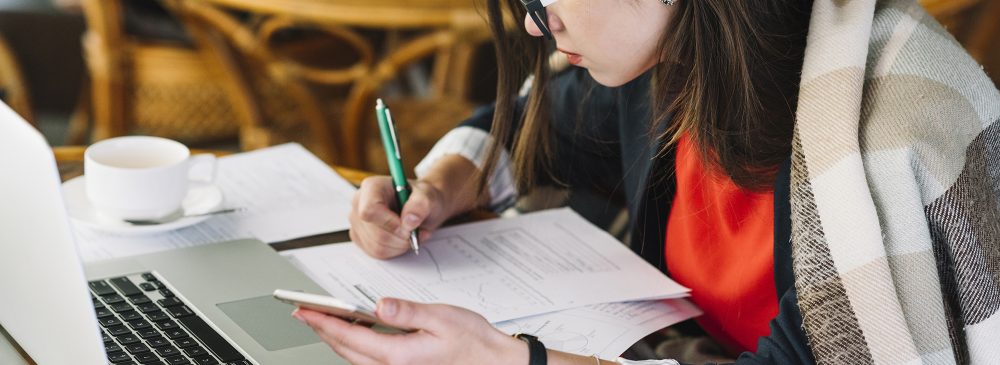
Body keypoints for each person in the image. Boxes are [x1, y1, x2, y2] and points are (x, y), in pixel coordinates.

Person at [293, 0, 1000, 364]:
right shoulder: (683, 54)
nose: (541, 27)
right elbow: (533, 129)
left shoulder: (872, 138)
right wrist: (438, 186)